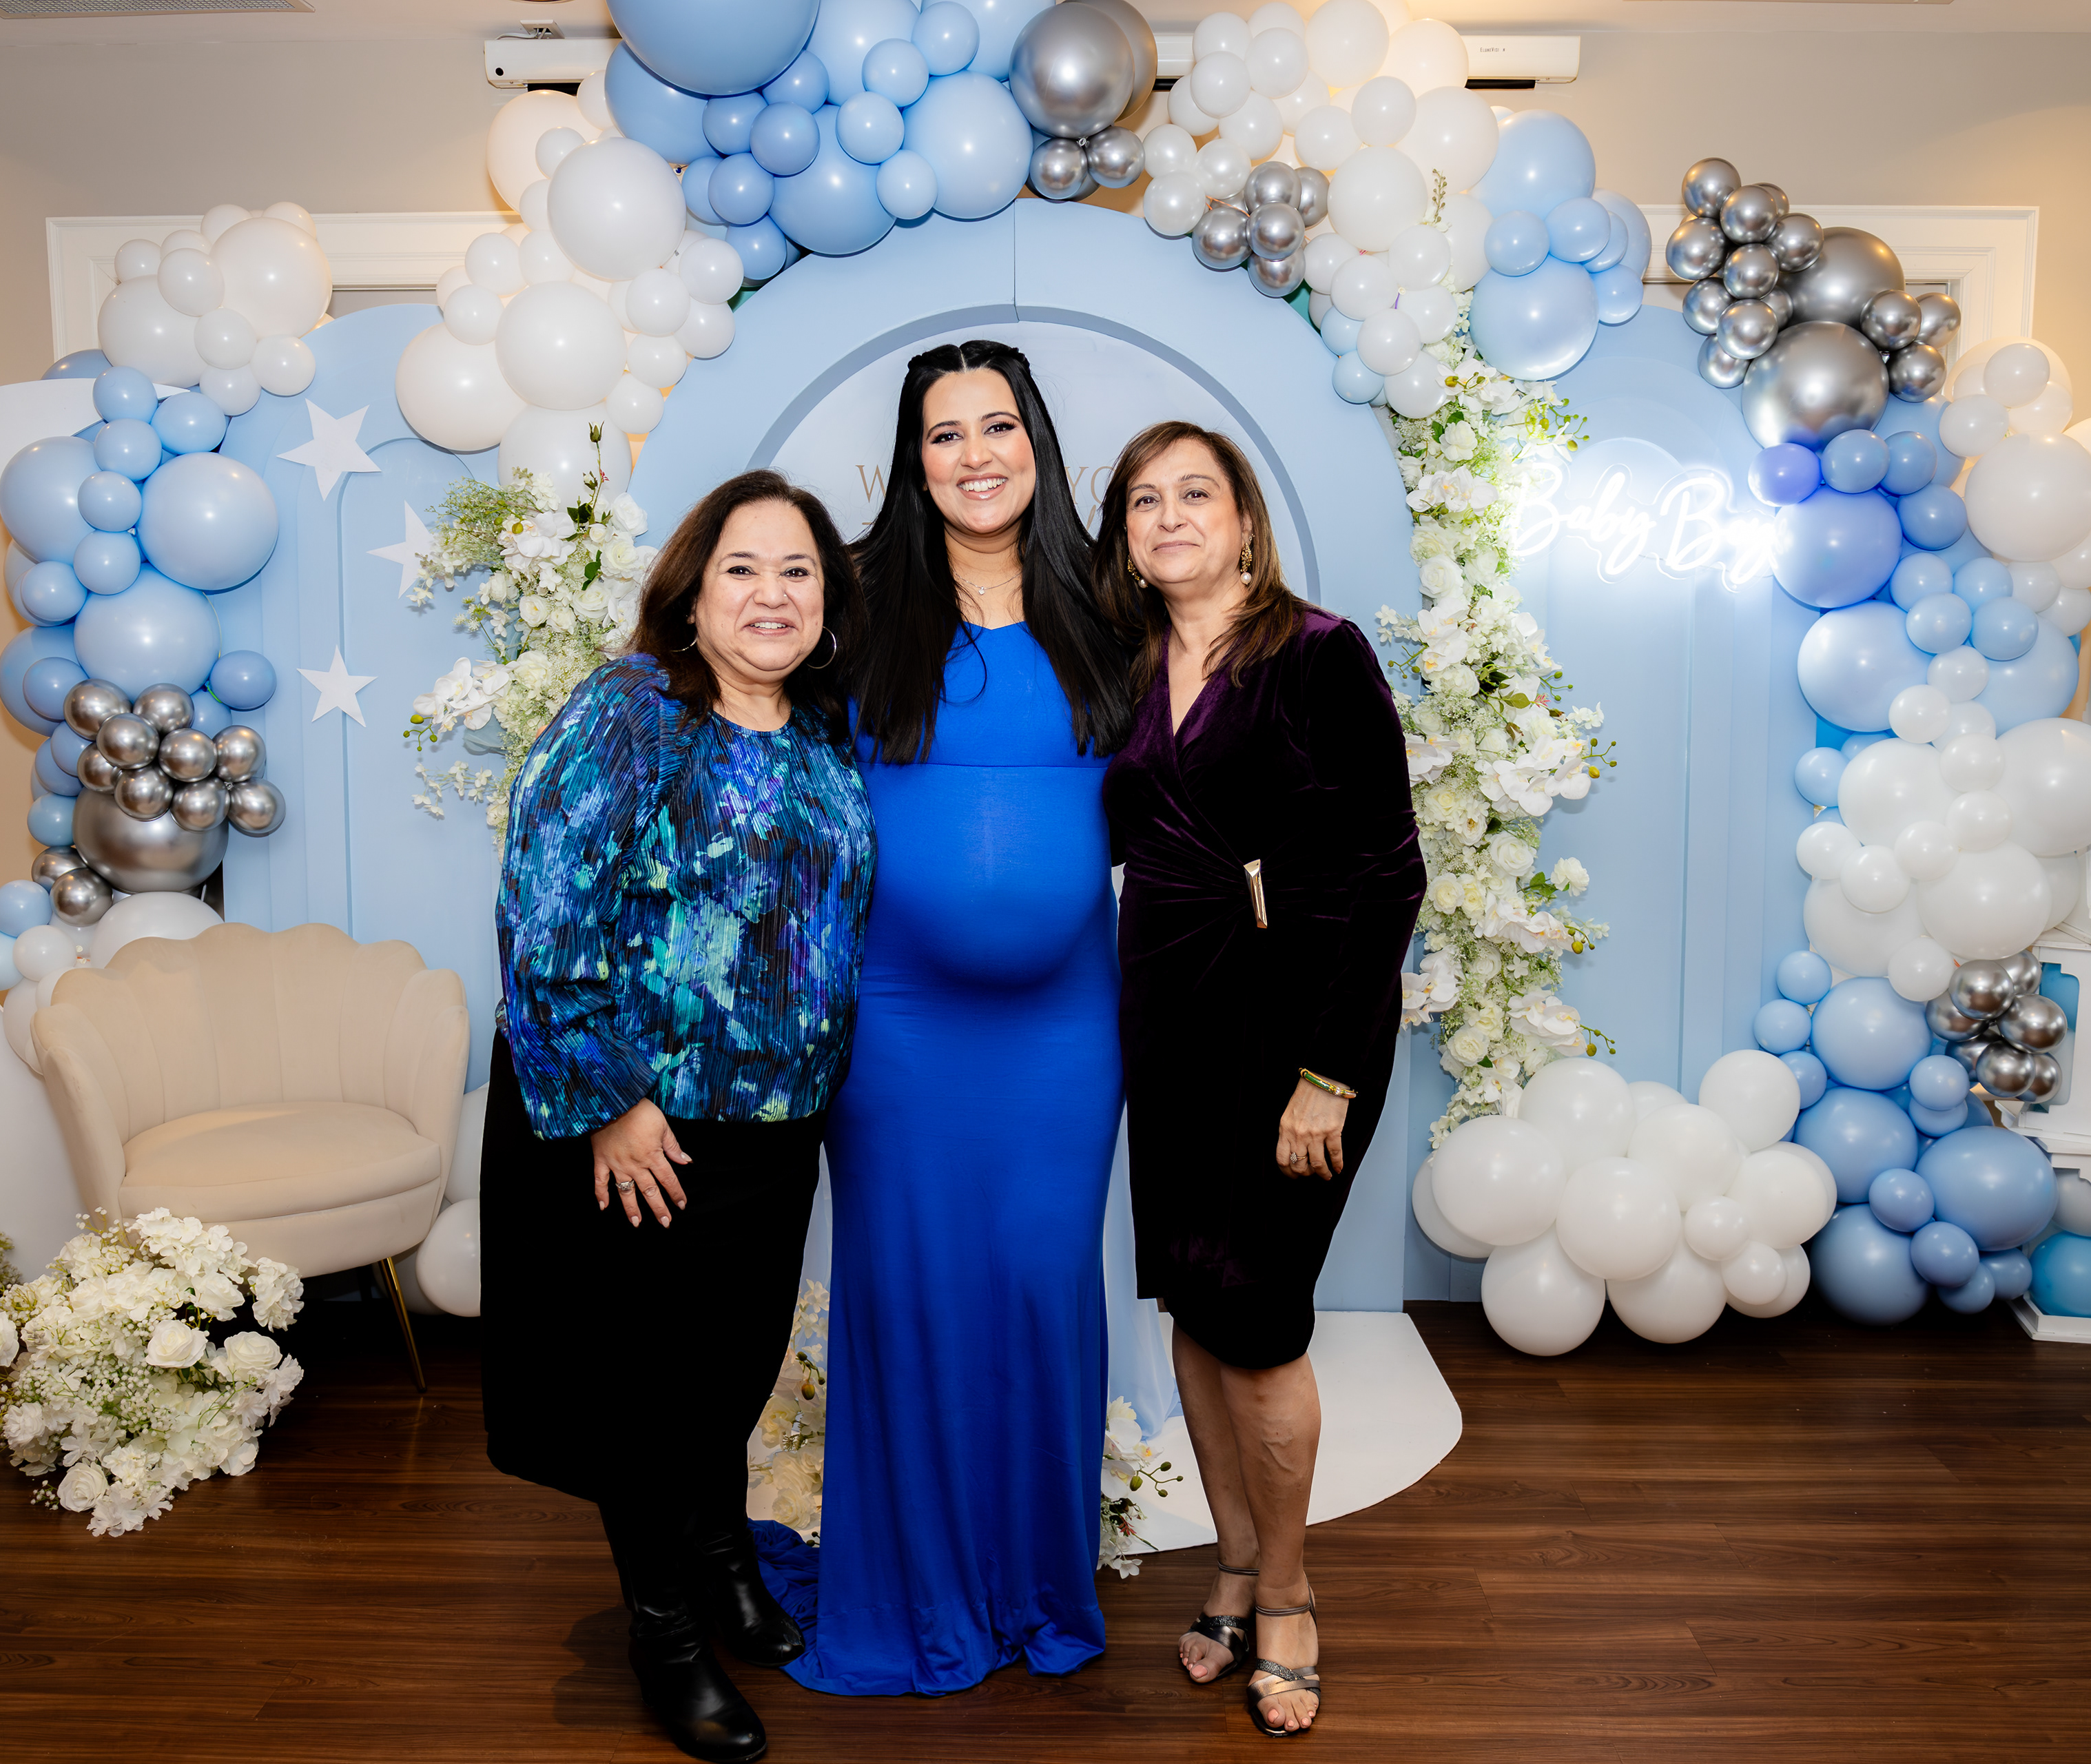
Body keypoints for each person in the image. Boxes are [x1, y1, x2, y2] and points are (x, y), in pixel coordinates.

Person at [481, 470, 874, 1763]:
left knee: (730, 1370)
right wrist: (611, 1103)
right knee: (652, 1394)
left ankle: (721, 1563)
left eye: (798, 571)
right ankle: (666, 1633)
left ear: (827, 598)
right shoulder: (634, 709)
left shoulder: (821, 731)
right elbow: (542, 909)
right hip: (650, 1133)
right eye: (742, 570)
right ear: (692, 593)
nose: (773, 595)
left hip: (781, 1122)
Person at [789, 340, 1137, 1696]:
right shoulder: (855, 604)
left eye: (999, 426)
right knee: (912, 1292)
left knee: (1045, 1290)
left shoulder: (1109, 599)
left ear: (1036, 443)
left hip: (1067, 1031)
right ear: (912, 459)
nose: (975, 454)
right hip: (898, 1027)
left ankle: (1038, 1583)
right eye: (945, 434)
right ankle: (918, 1590)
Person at [1094, 422, 1425, 1738]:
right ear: (1125, 534)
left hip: (1298, 1029)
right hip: (1169, 1018)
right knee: (1193, 1298)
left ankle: (1286, 1594)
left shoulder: (1319, 653)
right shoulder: (1124, 666)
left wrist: (1329, 1076)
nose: (1170, 516)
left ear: (1244, 520)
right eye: (1144, 500)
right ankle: (1232, 1562)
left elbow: (1388, 871)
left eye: (1196, 493)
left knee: (1263, 1316)